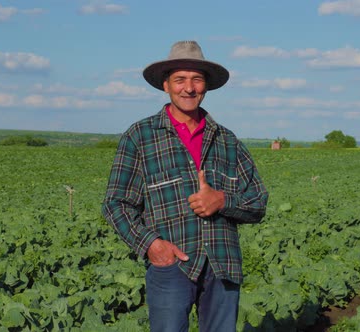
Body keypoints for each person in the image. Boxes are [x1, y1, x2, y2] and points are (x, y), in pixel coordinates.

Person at [101, 40, 269, 332]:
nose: (188, 88)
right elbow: (116, 204)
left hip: (222, 265)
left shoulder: (227, 141)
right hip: (171, 265)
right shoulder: (140, 136)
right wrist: (151, 245)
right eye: (180, 79)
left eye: (196, 79)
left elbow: (258, 201)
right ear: (166, 85)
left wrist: (222, 201)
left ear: (206, 86)